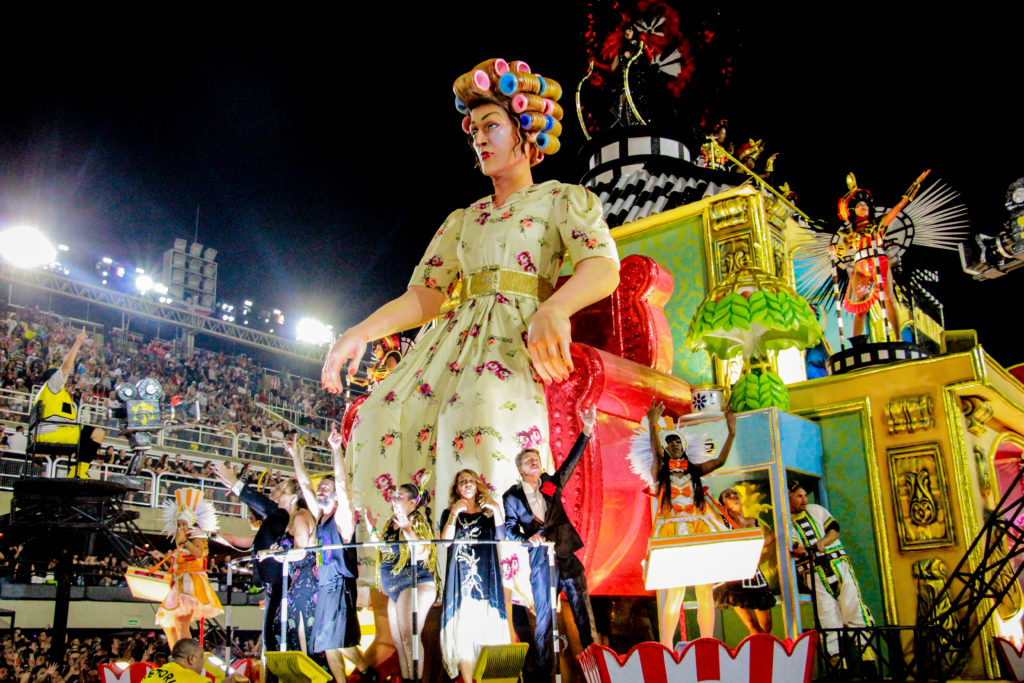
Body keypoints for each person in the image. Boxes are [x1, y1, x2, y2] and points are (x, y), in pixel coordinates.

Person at [321, 57, 620, 535]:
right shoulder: (463, 219)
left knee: (474, 411)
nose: (479, 139)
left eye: (491, 126)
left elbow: (603, 266)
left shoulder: (562, 199)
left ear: (525, 134)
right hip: (454, 340)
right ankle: (410, 561)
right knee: (381, 411)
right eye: (473, 130)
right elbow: (425, 295)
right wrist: (358, 333)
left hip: (514, 335)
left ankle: (497, 560)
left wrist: (556, 307)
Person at [503, 403, 597, 674]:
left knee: (582, 609)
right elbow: (511, 527)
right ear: (520, 469)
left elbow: (570, 463)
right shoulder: (512, 496)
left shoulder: (550, 485)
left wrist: (587, 430)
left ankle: (595, 663)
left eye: (537, 459)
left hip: (565, 552)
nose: (535, 462)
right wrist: (526, 538)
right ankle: (545, 673)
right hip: (541, 560)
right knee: (544, 618)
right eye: (528, 460)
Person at [287, 431, 377, 682]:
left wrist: (337, 450)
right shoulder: (320, 517)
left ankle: (366, 671)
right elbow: (305, 485)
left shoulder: (342, 518)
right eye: (321, 487)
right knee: (327, 645)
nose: (321, 489)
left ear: (335, 494)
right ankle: (356, 675)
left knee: (336, 640)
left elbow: (342, 484)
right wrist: (296, 456)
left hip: (339, 584)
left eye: (326, 487)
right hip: (324, 584)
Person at [645, 400, 736, 645]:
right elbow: (654, 453)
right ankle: (665, 647)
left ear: (682, 446)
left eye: (677, 442)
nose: (674, 445)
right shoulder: (660, 473)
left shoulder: (694, 471)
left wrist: (732, 432)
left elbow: (719, 461)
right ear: (665, 448)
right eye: (669, 442)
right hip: (674, 533)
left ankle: (707, 643)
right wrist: (654, 426)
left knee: (704, 590)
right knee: (675, 593)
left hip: (698, 531)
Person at [831, 170, 929, 339]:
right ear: (854, 210)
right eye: (860, 206)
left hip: (879, 262)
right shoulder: (850, 233)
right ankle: (857, 342)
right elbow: (844, 250)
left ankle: (897, 337)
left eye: (866, 205)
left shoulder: (879, 225)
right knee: (860, 307)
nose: (865, 207)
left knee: (888, 299)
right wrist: (834, 250)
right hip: (861, 267)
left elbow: (899, 205)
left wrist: (917, 183)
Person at [213, 462, 291, 654]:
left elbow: (257, 501)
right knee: (270, 636)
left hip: (282, 583)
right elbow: (243, 540)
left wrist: (234, 482)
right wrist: (210, 534)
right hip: (273, 584)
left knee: (274, 635)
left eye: (281, 490)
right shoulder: (275, 519)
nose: (275, 491)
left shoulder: (282, 515)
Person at [439, 469, 509, 682]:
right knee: (463, 634)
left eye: (471, 480)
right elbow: (445, 542)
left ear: (478, 485)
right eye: (462, 481)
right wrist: (453, 515)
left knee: (488, 630)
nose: (467, 484)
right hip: (460, 582)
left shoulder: (488, 514)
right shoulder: (449, 513)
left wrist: (496, 510)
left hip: (486, 579)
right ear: (457, 488)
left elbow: (502, 539)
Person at [788, 480, 873, 657]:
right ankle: (835, 662)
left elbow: (834, 531)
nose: (804, 500)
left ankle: (867, 658)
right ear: (789, 498)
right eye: (799, 496)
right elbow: (795, 548)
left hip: (837, 564)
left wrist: (822, 543)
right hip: (814, 572)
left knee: (854, 608)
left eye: (805, 495)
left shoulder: (816, 510)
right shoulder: (785, 524)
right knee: (828, 617)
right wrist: (800, 549)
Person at [365, 483, 438, 681]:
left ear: (413, 503)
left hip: (415, 582)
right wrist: (371, 527)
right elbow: (382, 547)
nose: (394, 499)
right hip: (396, 587)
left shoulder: (417, 520)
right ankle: (407, 679)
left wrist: (408, 530)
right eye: (394, 495)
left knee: (410, 637)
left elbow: (423, 551)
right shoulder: (391, 521)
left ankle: (415, 679)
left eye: (400, 496)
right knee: (399, 641)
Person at [30, 328, 105, 478]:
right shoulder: (52, 385)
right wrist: (78, 343)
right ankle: (78, 472)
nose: (67, 379)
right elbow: (65, 368)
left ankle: (78, 471)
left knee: (91, 433)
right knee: (97, 433)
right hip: (52, 432)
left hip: (54, 431)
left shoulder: (53, 394)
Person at [155, 488, 224, 646]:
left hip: (190, 583)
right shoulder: (181, 541)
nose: (180, 527)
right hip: (178, 583)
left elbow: (200, 554)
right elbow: (178, 563)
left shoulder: (196, 537)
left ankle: (185, 658)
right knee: (168, 625)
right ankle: (177, 656)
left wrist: (184, 542)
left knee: (180, 622)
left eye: (184, 523)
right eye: (178, 524)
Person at [713, 487, 776, 636]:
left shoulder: (753, 521)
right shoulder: (722, 522)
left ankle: (759, 652)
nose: (734, 496)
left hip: (755, 576)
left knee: (766, 625)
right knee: (753, 626)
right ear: (723, 506)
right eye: (728, 495)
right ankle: (762, 656)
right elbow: (706, 508)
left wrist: (777, 534)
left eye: (735, 493)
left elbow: (757, 546)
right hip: (734, 576)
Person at [140, 638, 247, 683]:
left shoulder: (152, 674)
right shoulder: (198, 680)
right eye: (201, 657)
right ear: (191, 659)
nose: (203, 664)